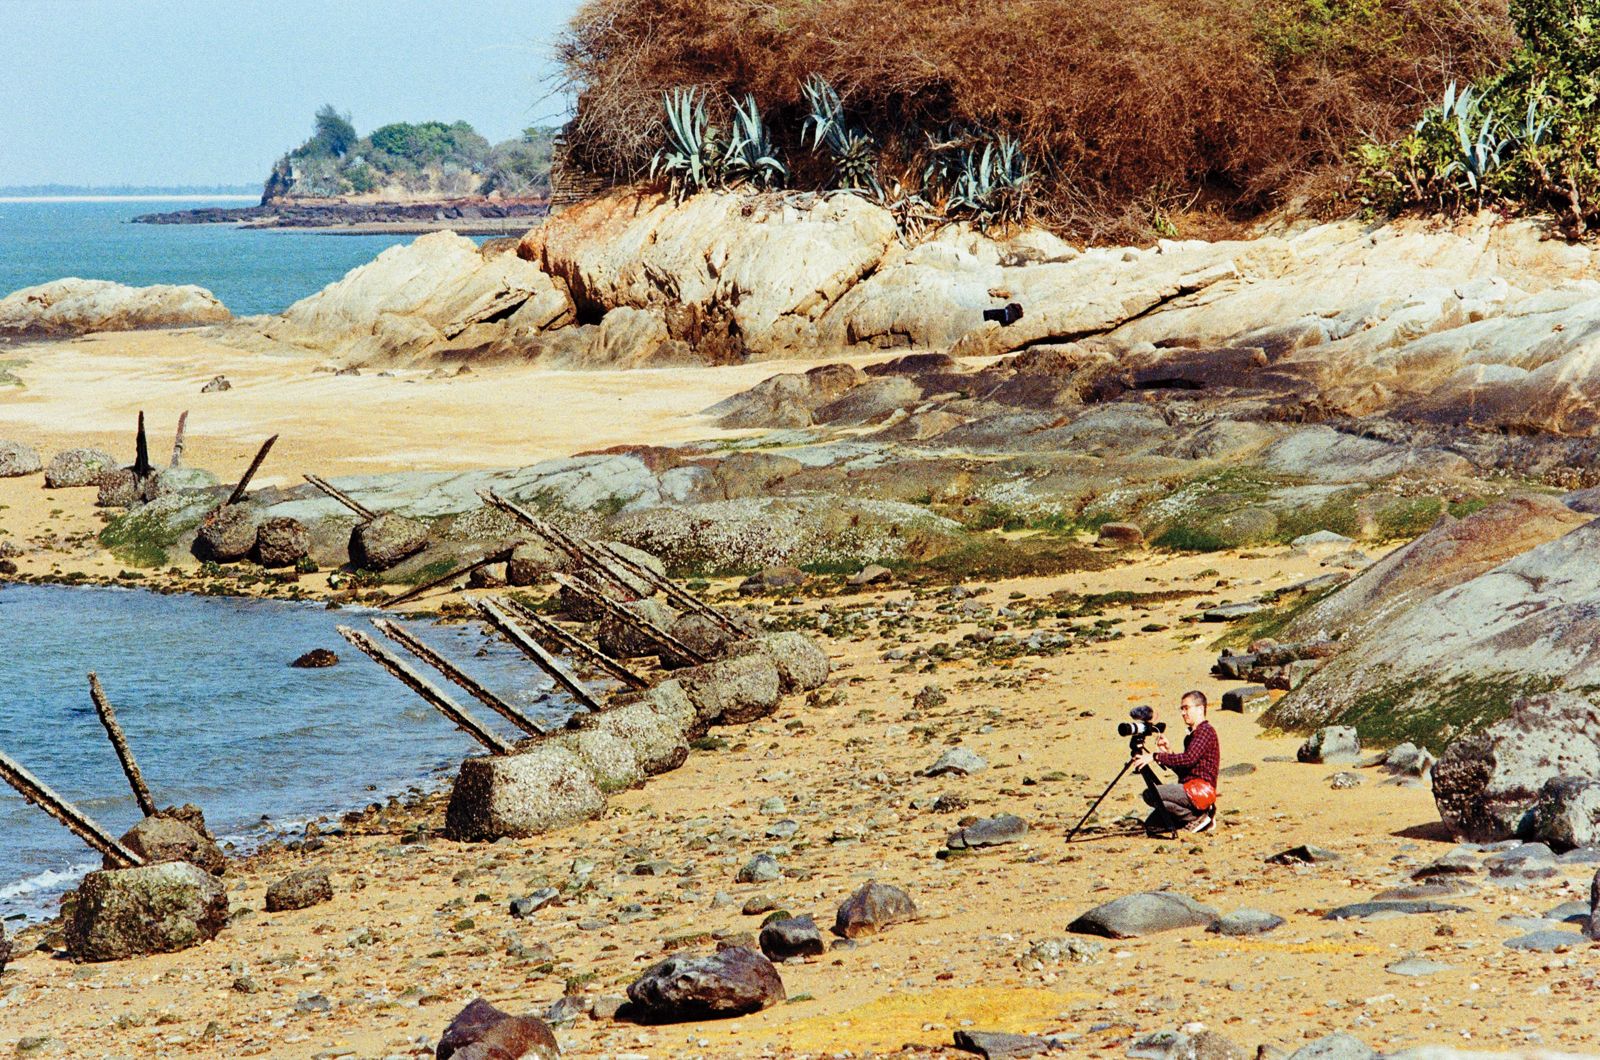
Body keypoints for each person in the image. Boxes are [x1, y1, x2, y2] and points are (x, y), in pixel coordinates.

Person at [1130, 690, 1219, 834]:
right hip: (1189, 788)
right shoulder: (1192, 736)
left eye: (1186, 708)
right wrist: (1168, 752)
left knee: (1150, 794)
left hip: (1199, 790)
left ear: (1200, 709)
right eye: (1182, 709)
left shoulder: (1205, 731)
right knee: (1153, 826)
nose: (1183, 713)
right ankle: (1192, 817)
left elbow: (1188, 759)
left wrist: (1155, 756)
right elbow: (1186, 769)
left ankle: (1197, 818)